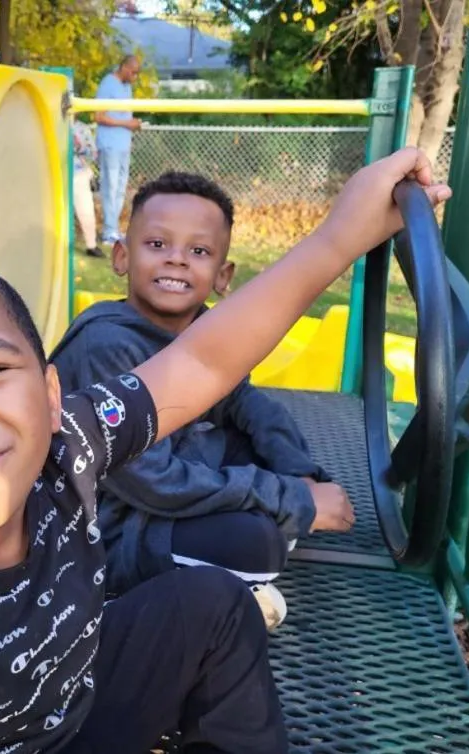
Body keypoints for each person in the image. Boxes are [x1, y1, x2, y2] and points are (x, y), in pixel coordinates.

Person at [0, 147, 449, 753]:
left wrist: (343, 236)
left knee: (213, 605)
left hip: (73, 709)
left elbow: (202, 367)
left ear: (51, 396)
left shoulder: (66, 447)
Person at [49, 171, 354, 627]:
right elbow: (152, 482)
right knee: (258, 546)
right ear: (121, 257)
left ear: (223, 275)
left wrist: (299, 476)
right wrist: (291, 499)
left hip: (163, 487)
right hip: (108, 531)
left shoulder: (202, 330)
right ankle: (150, 598)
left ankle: (239, 558)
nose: (177, 261)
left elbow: (245, 404)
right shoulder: (106, 346)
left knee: (260, 436)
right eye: (157, 245)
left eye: (199, 251)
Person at [94, 55, 142, 246]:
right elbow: (98, 116)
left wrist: (132, 125)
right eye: (133, 72)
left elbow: (124, 117)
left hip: (124, 145)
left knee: (121, 188)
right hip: (110, 145)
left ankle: (113, 228)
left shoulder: (127, 87)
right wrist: (126, 123)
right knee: (110, 186)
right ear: (124, 67)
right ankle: (108, 231)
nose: (135, 76)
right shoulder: (108, 84)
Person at [72, 120, 102, 258]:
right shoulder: (53, 123)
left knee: (86, 210)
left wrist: (80, 146)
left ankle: (91, 245)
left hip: (79, 174)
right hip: (56, 174)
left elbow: (93, 153)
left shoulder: (82, 129)